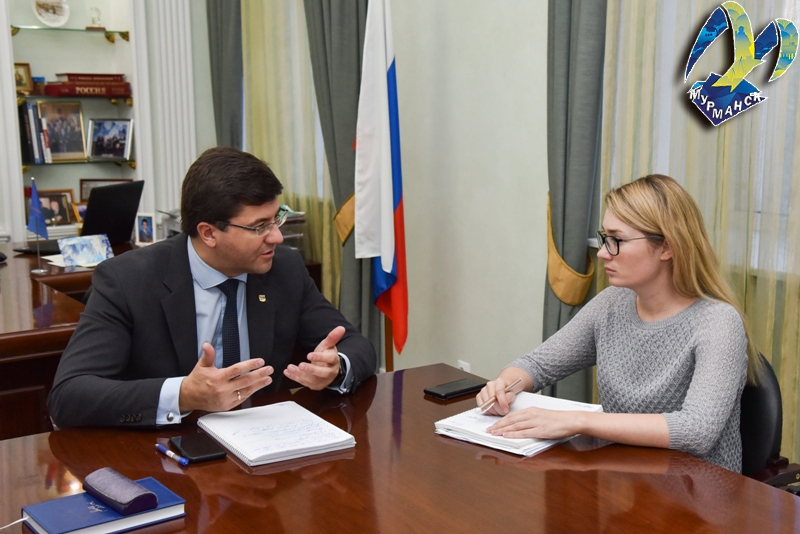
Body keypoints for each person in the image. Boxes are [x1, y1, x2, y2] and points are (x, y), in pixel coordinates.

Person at [48, 147, 377, 428]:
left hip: (263, 448)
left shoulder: (284, 269)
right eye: (259, 226)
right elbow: (69, 396)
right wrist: (183, 395)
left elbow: (356, 346)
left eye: (276, 219)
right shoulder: (128, 281)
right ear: (208, 233)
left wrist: (336, 367)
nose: (277, 237)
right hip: (166, 453)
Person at [476, 174, 761, 473]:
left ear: (667, 247)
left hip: (698, 493)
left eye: (617, 241)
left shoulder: (718, 322)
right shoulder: (612, 303)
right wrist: (504, 385)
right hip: (622, 481)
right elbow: (536, 365)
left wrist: (579, 421)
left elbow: (696, 430)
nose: (602, 253)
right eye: (605, 239)